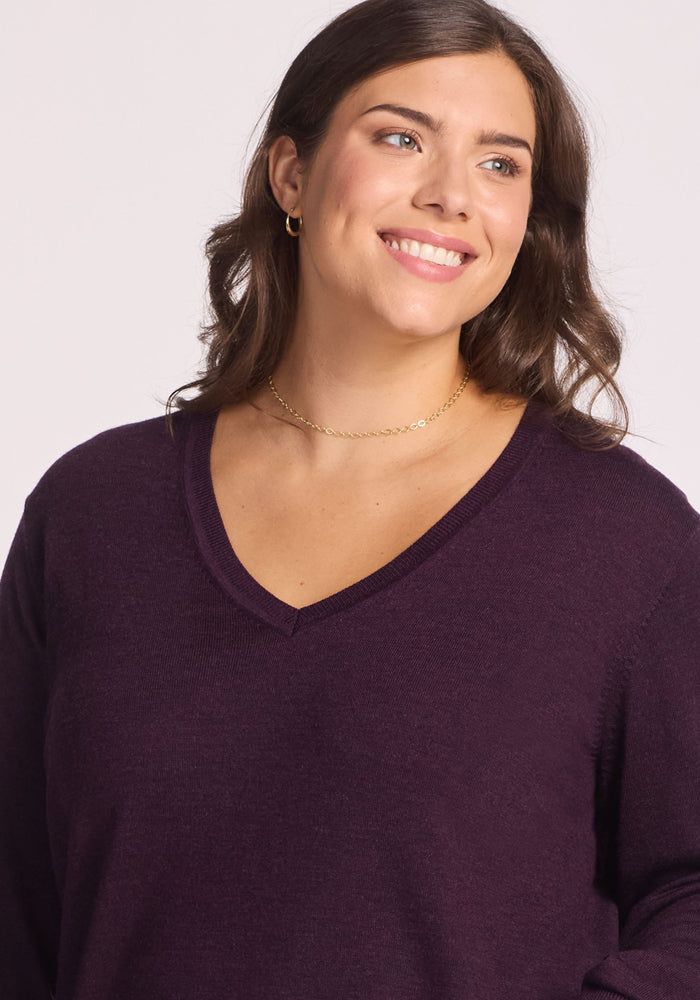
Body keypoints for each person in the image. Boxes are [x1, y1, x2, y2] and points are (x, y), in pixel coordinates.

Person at [1, 0, 698, 996]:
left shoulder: (625, 543)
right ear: (291, 171)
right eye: (401, 137)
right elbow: (19, 902)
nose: (451, 194)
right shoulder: (93, 515)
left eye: (500, 163)